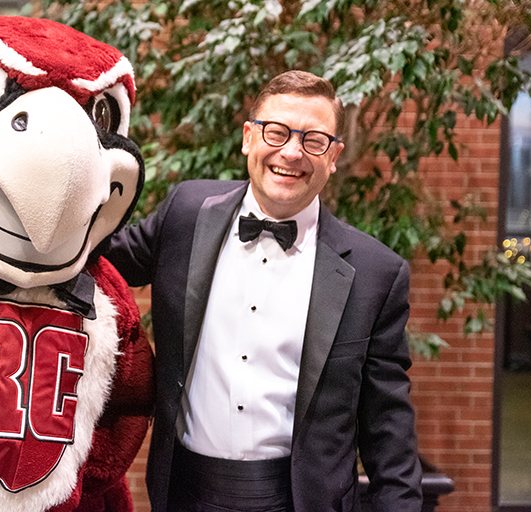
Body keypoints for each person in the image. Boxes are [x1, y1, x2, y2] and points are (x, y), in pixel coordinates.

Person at [105, 70, 423, 511]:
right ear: (248, 137)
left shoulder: (375, 273)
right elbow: (93, 253)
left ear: (333, 156)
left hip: (300, 500)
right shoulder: (185, 214)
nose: (291, 152)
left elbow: (389, 433)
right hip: (183, 493)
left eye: (314, 140)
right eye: (276, 132)